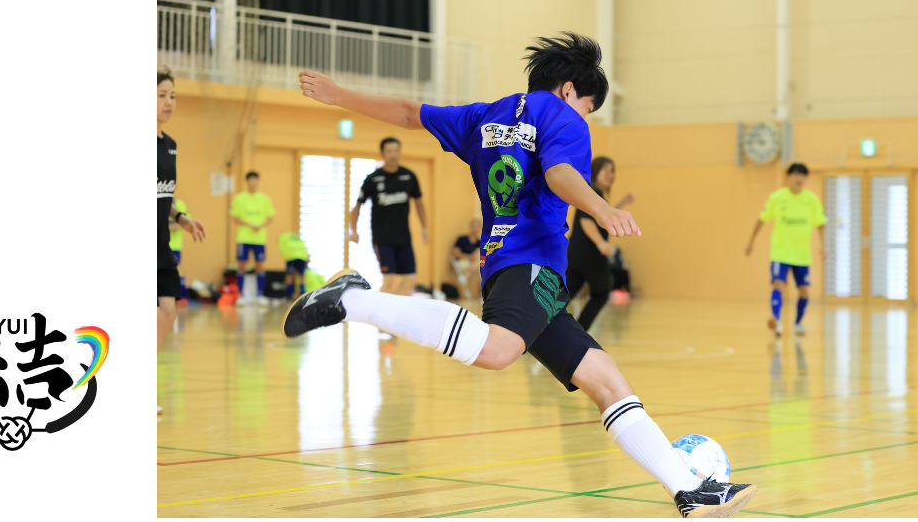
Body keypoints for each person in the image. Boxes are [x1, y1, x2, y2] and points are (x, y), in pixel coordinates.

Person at [285, 32, 756, 518]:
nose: (586, 116)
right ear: (569, 90)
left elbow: (409, 113)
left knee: (608, 383)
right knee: (497, 350)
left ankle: (689, 489)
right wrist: (601, 208)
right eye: (589, 107)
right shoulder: (564, 117)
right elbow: (560, 174)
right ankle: (354, 299)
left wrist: (338, 95)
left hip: (508, 265)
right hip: (533, 260)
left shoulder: (483, 115)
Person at [744, 163, 825, 337]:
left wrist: (823, 247)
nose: (799, 178)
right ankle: (777, 322)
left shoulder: (812, 200)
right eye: (796, 174)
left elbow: (820, 224)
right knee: (777, 284)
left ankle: (798, 323)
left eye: (803, 175)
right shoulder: (777, 198)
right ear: (788, 176)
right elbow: (762, 219)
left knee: (804, 291)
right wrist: (751, 241)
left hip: (802, 255)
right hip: (781, 253)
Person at [158, 69, 206, 329]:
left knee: (168, 314)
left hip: (162, 245)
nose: (169, 102)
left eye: (173, 96)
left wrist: (181, 218)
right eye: (161, 95)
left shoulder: (170, 145)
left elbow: (161, 194)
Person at [349, 137, 428, 294]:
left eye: (396, 150)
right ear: (382, 154)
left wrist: (425, 227)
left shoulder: (409, 176)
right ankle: (380, 308)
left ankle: (395, 307)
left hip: (404, 238)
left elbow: (419, 203)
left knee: (411, 279)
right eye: (389, 151)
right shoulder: (372, 179)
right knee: (389, 279)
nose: (393, 154)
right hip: (382, 239)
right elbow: (357, 206)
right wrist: (354, 230)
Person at [566, 156, 635, 332]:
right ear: (595, 171)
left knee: (563, 296)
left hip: (574, 253)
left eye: (612, 171)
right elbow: (586, 220)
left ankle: (537, 330)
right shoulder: (594, 194)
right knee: (601, 293)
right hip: (590, 256)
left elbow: (603, 217)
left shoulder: (593, 195)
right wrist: (601, 244)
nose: (610, 174)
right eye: (605, 170)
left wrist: (621, 204)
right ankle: (578, 332)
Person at [229, 171, 275, 304]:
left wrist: (260, 226)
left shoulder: (264, 199)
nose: (253, 183)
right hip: (243, 238)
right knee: (241, 265)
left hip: (259, 239)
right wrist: (249, 224)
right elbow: (235, 217)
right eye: (251, 180)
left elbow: (270, 217)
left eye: (256, 180)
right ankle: (241, 296)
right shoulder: (239, 198)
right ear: (247, 181)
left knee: (259, 265)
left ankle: (260, 295)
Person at [451, 217, 482, 301]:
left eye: (477, 227)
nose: (475, 229)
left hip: (475, 263)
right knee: (480, 266)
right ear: (470, 227)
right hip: (463, 261)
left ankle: (465, 277)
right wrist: (469, 257)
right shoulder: (462, 239)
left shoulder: (480, 242)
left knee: (482, 270)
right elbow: (456, 254)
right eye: (474, 226)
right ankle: (466, 277)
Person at [168, 198, 193, 305]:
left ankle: (182, 296)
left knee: (177, 269)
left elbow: (186, 222)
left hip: (175, 245)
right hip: (160, 244)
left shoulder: (179, 204)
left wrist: (172, 226)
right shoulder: (159, 202)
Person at [279, 231, 311, 299]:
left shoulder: (286, 237)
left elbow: (280, 242)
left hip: (292, 258)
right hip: (300, 258)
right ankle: (300, 294)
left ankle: (291, 294)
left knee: (291, 276)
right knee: (300, 275)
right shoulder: (298, 239)